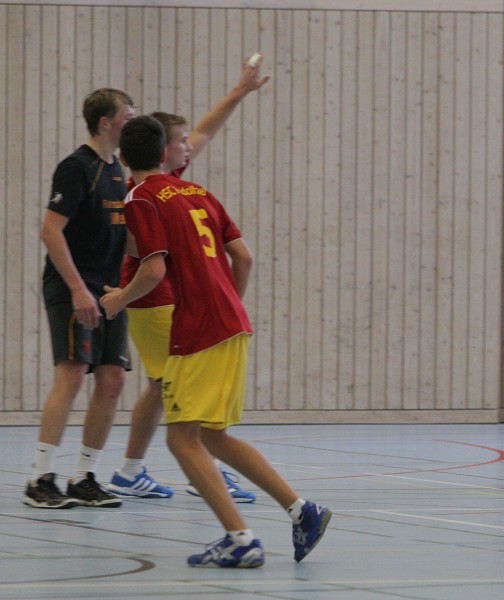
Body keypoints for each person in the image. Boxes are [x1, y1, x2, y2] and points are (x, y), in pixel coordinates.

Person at [101, 116, 330, 567]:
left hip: (199, 329)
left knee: (182, 440)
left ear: (124, 159)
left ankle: (240, 539)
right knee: (213, 436)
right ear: (165, 153)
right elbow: (243, 256)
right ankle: (303, 511)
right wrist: (228, 302)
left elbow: (152, 270)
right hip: (233, 323)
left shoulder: (140, 198)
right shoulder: (199, 193)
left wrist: (117, 300)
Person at [105, 53, 270, 502]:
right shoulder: (142, 191)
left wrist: (238, 92)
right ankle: (200, 468)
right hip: (151, 294)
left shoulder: (170, 183)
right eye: (179, 141)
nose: (189, 146)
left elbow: (206, 130)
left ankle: (134, 470)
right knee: (174, 383)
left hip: (168, 294)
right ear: (161, 149)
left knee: (166, 384)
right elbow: (144, 256)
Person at [23, 89, 137, 509]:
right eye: (128, 116)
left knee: (113, 378)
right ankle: (39, 478)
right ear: (106, 122)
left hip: (109, 290)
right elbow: (51, 230)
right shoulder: (76, 167)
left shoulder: (116, 172)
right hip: (73, 287)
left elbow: (122, 236)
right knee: (72, 374)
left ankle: (85, 476)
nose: (132, 122)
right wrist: (76, 289)